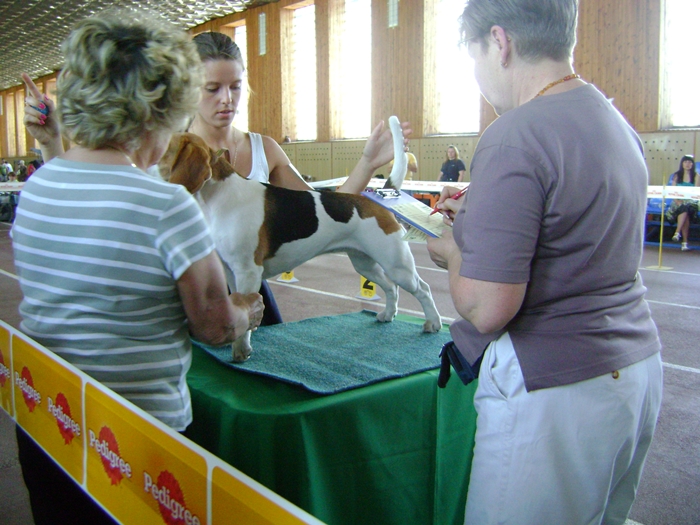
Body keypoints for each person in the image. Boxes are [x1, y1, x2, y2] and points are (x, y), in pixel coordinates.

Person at [15, 11, 264, 524]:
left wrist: (52, 142)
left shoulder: (38, 188)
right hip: (134, 442)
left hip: (48, 421)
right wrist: (246, 309)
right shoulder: (168, 206)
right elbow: (214, 326)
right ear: (159, 108)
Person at [426, 1, 662, 524]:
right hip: (634, 369)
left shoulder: (515, 132)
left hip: (555, 390)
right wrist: (482, 217)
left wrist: (453, 250)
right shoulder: (614, 121)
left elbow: (486, 307)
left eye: (474, 56)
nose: (478, 76)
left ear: (500, 42)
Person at [189, 31, 412, 324]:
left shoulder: (265, 149)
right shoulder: (170, 156)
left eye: (236, 86)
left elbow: (324, 212)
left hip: (249, 294)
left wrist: (368, 163)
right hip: (187, 301)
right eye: (212, 88)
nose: (227, 99)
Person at [667, 154, 699, 251]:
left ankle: (677, 232)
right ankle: (684, 243)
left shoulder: (696, 176)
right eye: (685, 162)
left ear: (692, 164)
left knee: (686, 207)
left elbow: (695, 192)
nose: (687, 164)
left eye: (690, 162)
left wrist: (686, 200)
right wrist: (677, 201)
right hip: (678, 202)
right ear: (682, 164)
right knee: (685, 212)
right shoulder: (677, 175)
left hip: (691, 202)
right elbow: (672, 192)